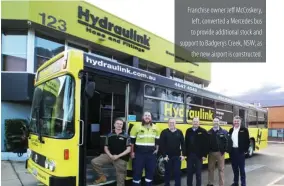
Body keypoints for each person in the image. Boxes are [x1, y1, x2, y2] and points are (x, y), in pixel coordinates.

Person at [91, 118, 131, 186]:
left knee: (120, 178)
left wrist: (118, 156)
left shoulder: (126, 136)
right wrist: (110, 155)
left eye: (121, 124)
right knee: (94, 162)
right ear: (114, 125)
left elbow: (128, 149)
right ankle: (102, 177)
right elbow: (106, 147)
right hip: (110, 156)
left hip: (121, 158)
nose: (119, 125)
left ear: (122, 125)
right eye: (117, 124)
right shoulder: (109, 135)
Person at [130, 111, 160, 186]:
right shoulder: (136, 126)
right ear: (143, 117)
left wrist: (157, 149)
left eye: (149, 116)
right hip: (139, 154)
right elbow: (132, 141)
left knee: (150, 172)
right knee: (137, 172)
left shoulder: (156, 127)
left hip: (151, 154)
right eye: (145, 115)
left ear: (151, 118)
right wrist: (132, 152)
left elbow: (157, 140)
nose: (147, 117)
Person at [159, 118, 185, 186]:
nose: (172, 124)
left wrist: (183, 155)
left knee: (177, 172)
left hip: (177, 156)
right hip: (167, 157)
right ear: (168, 123)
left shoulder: (179, 132)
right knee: (167, 172)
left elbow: (183, 144)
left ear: (175, 123)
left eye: (173, 122)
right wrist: (164, 156)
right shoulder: (164, 132)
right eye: (170, 122)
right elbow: (161, 145)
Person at [185, 117, 209, 186]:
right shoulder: (188, 131)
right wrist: (185, 154)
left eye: (197, 121)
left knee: (198, 173)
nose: (195, 123)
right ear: (192, 122)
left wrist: (205, 155)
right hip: (190, 156)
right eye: (194, 121)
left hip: (199, 156)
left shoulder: (203, 131)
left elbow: (206, 144)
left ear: (199, 123)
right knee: (189, 172)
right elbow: (186, 143)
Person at [228, 116, 250, 186]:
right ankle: (236, 182)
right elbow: (229, 141)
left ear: (240, 122)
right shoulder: (231, 130)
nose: (236, 122)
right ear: (233, 122)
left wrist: (245, 150)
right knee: (235, 168)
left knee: (242, 169)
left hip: (240, 151)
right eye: (235, 121)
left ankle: (243, 183)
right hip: (233, 151)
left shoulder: (244, 130)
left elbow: (247, 141)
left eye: (238, 121)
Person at [207, 118, 228, 186]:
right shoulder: (209, 132)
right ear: (213, 122)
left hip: (220, 153)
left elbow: (226, 142)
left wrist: (223, 151)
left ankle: (221, 184)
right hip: (211, 153)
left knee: (221, 169)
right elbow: (206, 143)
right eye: (214, 121)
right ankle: (210, 183)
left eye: (217, 121)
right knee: (210, 169)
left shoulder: (223, 132)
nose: (216, 122)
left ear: (219, 122)